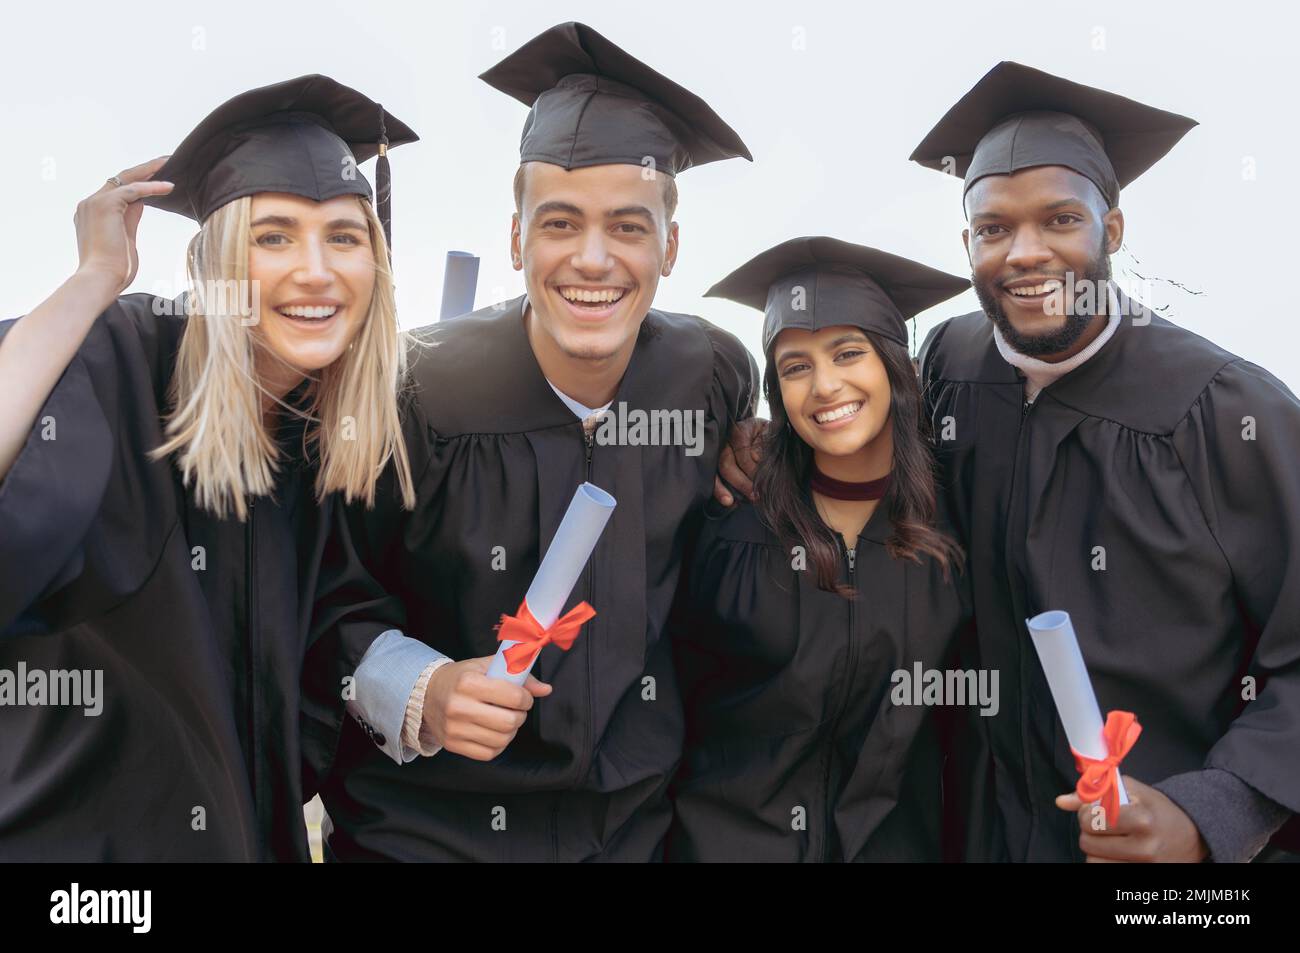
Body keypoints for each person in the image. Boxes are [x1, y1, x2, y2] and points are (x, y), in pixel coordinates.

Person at [306, 21, 759, 861]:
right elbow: (331, 591)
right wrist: (424, 686)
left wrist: (751, 449)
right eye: (559, 223)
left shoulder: (709, 373)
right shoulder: (415, 391)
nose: (593, 259)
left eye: (629, 227)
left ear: (671, 246)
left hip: (630, 829)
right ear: (516, 240)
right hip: (426, 830)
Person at [0, 75, 417, 860]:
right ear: (211, 264)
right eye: (274, 236)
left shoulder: (322, 437)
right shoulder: (127, 355)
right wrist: (93, 279)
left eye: (344, 236)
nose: (317, 270)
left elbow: (334, 635)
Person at [911, 62, 1299, 861]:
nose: (1025, 253)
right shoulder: (949, 364)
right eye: (994, 228)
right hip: (976, 832)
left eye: (1059, 219)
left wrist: (1212, 814)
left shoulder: (1227, 411)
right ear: (967, 243)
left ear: (1111, 230)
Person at [665, 237, 982, 862]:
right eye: (796, 366)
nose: (825, 385)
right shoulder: (730, 523)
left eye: (848, 353)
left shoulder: (955, 533)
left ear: (896, 366)